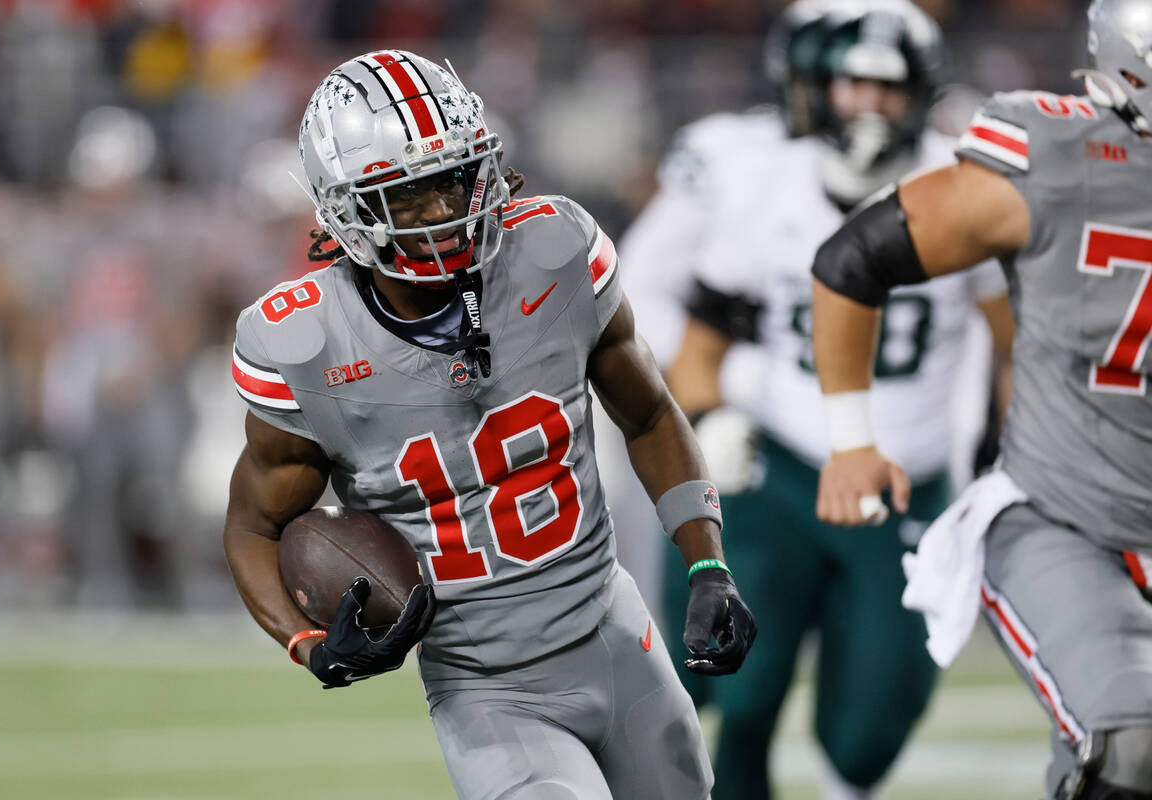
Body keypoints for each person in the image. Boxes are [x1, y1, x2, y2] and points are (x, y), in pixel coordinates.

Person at [221, 49, 755, 799]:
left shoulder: (552, 252)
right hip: (485, 687)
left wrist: (706, 562)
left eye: (449, 180)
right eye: (405, 196)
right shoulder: (307, 342)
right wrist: (308, 643)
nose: (441, 212)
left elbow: (650, 413)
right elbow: (253, 526)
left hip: (610, 629)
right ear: (346, 209)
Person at [621, 3, 1013, 799]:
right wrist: (716, 419)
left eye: (890, 88)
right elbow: (698, 353)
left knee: (866, 734)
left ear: (924, 94)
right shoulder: (763, 182)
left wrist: (1010, 456)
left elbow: (1019, 341)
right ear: (821, 89)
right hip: (781, 471)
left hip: (907, 479)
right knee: (741, 688)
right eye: (854, 85)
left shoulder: (965, 186)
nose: (869, 106)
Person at [809, 1, 1152, 797]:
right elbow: (854, 259)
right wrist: (853, 439)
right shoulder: (1066, 157)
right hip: (1070, 519)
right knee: (1129, 749)